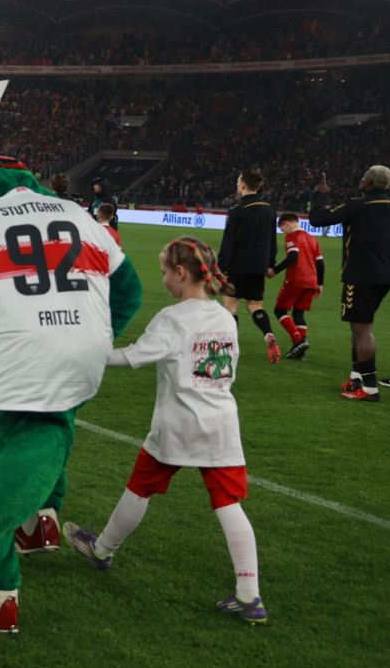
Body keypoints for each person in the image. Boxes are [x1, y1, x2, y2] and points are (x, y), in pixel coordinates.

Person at [0, 155, 142, 635]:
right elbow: (129, 289)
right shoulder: (80, 214)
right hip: (77, 362)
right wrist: (97, 336)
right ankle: (40, 519)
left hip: (7, 365)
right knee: (50, 424)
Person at [63, 237, 265, 625]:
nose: (163, 280)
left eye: (164, 272)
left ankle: (103, 549)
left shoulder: (173, 319)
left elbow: (131, 357)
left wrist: (84, 351)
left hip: (177, 424)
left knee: (141, 486)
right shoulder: (225, 316)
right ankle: (249, 594)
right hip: (221, 422)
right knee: (228, 503)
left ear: (181, 272)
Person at [309, 166, 390, 401]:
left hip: (361, 275)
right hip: (384, 276)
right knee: (359, 325)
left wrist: (320, 195)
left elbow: (318, 219)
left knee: (362, 328)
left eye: (364, 178)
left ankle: (370, 388)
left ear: (369, 182)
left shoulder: (358, 205)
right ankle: (357, 375)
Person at [218, 170, 280, 363]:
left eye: (238, 181)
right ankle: (268, 334)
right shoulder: (269, 210)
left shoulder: (237, 210)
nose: (237, 184)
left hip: (238, 266)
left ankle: (229, 347)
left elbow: (228, 241)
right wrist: (270, 264)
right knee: (255, 305)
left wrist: (221, 266)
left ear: (243, 185)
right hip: (258, 266)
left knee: (230, 305)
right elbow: (272, 240)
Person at [268, 212, 324, 361]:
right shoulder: (313, 239)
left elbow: (293, 256)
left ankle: (299, 341)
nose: (283, 232)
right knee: (299, 314)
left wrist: (275, 270)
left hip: (296, 279)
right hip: (311, 282)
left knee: (280, 310)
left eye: (282, 229)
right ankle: (299, 352)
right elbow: (320, 263)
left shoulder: (292, 236)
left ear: (286, 224)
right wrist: (320, 283)